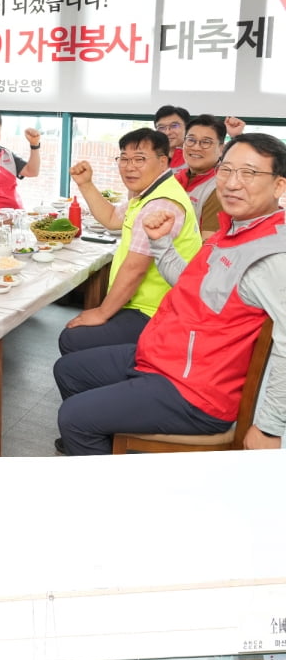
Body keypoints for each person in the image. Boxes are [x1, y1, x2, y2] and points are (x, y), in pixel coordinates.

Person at [55, 133, 286, 454]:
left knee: (74, 417)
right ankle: (106, 445)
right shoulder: (234, 230)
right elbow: (192, 282)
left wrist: (270, 427)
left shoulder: (272, 254)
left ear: (279, 186)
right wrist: (162, 243)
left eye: (249, 173)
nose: (233, 183)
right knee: (69, 370)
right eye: (226, 170)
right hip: (167, 357)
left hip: (195, 390)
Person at [60, 128, 200, 354]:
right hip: (147, 305)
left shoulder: (160, 203)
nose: (129, 166)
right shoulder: (151, 193)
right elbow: (112, 218)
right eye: (124, 159)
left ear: (163, 162)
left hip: (155, 311)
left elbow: (135, 269)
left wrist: (102, 312)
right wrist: (85, 184)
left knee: (73, 339)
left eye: (139, 159)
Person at [177, 115, 226, 235]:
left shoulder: (220, 188)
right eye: (191, 140)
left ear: (221, 149)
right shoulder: (177, 178)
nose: (196, 147)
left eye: (206, 142)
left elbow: (209, 245)